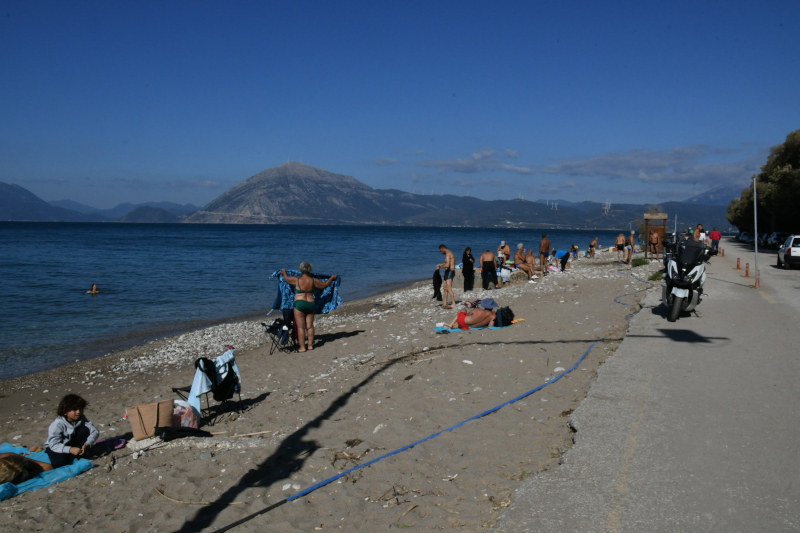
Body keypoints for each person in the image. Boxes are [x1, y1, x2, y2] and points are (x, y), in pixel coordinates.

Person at [281, 263, 338, 352]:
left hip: (299, 304)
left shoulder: (297, 280)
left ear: (300, 269)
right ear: (310, 270)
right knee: (310, 326)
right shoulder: (314, 281)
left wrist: (284, 272)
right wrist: (332, 278)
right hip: (311, 303)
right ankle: (310, 345)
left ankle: (302, 347)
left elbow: (286, 279)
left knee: (301, 327)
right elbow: (325, 285)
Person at [45, 394, 99, 468]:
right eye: (74, 409)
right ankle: (73, 454)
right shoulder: (58, 424)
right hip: (57, 446)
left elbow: (94, 431)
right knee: (59, 463)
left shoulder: (81, 418)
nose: (78, 412)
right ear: (65, 411)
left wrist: (87, 444)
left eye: (80, 409)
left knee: (84, 430)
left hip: (71, 442)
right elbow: (53, 444)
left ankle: (79, 453)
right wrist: (70, 449)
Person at [437, 245, 456, 309]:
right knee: (445, 288)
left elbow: (447, 265)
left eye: (441, 251)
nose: (441, 252)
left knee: (449, 288)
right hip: (447, 272)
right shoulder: (448, 254)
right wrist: (441, 264)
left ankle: (453, 303)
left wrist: (440, 267)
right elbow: (447, 263)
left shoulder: (448, 254)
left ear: (443, 249)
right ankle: (445, 303)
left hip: (450, 271)